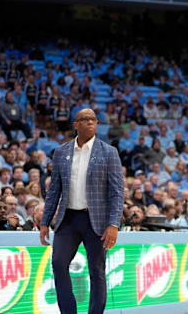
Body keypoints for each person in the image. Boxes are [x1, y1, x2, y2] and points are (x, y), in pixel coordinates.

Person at [40, 109, 124, 314]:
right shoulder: (61, 152)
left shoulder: (109, 152)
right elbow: (54, 191)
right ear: (75, 124)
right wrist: (44, 221)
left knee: (97, 271)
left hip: (96, 220)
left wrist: (113, 224)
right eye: (85, 120)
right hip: (68, 218)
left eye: (93, 120)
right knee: (59, 264)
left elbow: (117, 192)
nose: (90, 123)